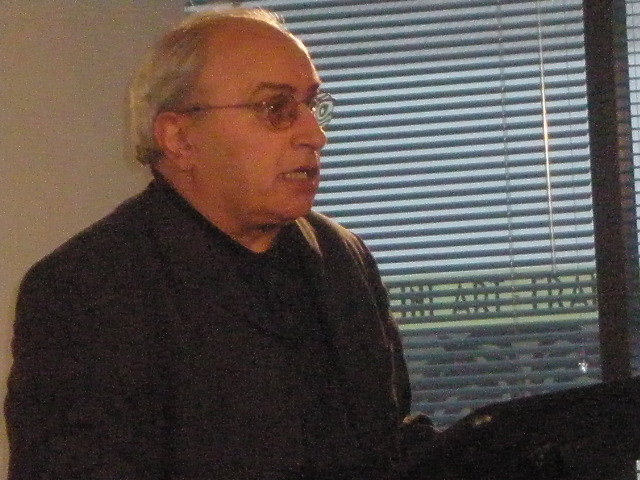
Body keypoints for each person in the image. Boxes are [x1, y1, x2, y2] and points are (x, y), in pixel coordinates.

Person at [5, 8, 424, 480]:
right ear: (180, 138)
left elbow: (386, 443)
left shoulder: (342, 256)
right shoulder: (87, 289)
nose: (315, 135)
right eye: (276, 108)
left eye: (312, 105)